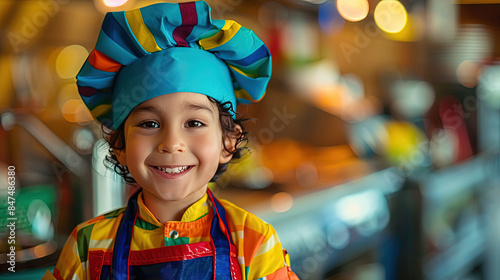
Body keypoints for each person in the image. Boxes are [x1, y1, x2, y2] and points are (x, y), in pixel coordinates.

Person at [42, 1, 298, 279]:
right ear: (119, 146)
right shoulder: (87, 246)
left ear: (228, 142)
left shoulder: (253, 241)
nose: (172, 143)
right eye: (149, 124)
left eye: (194, 123)